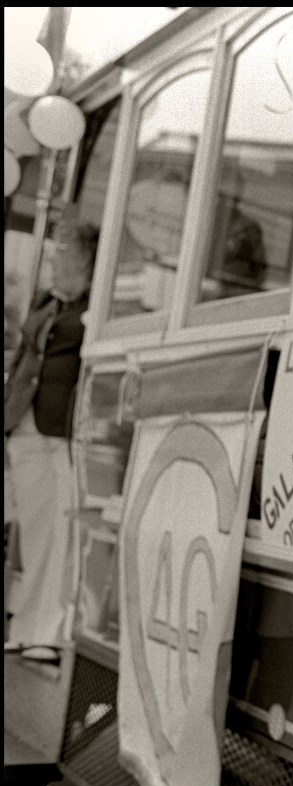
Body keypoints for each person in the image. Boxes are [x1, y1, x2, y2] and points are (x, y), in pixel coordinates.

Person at [4, 205, 100, 651]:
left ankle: (46, 633)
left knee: (59, 535)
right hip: (25, 424)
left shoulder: (92, 306)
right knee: (37, 532)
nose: (54, 257)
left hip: (61, 430)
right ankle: (28, 628)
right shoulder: (48, 301)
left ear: (85, 259)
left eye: (64, 249)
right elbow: (25, 358)